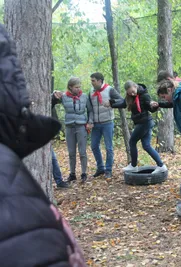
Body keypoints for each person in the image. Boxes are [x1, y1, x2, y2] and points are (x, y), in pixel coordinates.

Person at [0, 24, 86, 266]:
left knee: (64, 156)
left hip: (76, 128)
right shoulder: (11, 186)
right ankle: (62, 178)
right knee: (60, 157)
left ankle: (68, 177)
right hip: (64, 130)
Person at [110, 81, 167, 174]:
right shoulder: (130, 97)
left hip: (145, 123)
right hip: (142, 123)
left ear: (135, 86)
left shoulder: (144, 96)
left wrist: (155, 106)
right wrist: (112, 104)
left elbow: (150, 108)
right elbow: (123, 104)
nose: (132, 94)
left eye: (133, 91)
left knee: (132, 142)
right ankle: (161, 165)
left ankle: (133, 165)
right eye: (129, 93)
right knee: (146, 146)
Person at [156, 70, 181, 187]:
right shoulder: (178, 87)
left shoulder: (180, 88)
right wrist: (159, 104)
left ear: (168, 79)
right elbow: (173, 102)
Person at [52, 77, 93, 183]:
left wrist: (90, 122)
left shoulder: (84, 96)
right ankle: (72, 174)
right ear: (70, 87)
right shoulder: (64, 97)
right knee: (71, 152)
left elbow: (90, 110)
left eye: (79, 87)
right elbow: (52, 99)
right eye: (76, 87)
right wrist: (54, 92)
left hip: (81, 126)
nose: (78, 89)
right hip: (69, 127)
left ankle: (84, 173)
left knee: (82, 152)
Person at [89, 72, 124, 179]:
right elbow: (90, 109)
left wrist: (111, 102)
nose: (92, 83)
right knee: (94, 146)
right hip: (95, 124)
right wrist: (90, 121)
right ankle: (100, 168)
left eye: (93, 81)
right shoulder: (91, 92)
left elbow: (122, 101)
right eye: (91, 81)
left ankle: (108, 170)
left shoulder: (109, 90)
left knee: (109, 148)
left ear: (100, 81)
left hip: (107, 123)